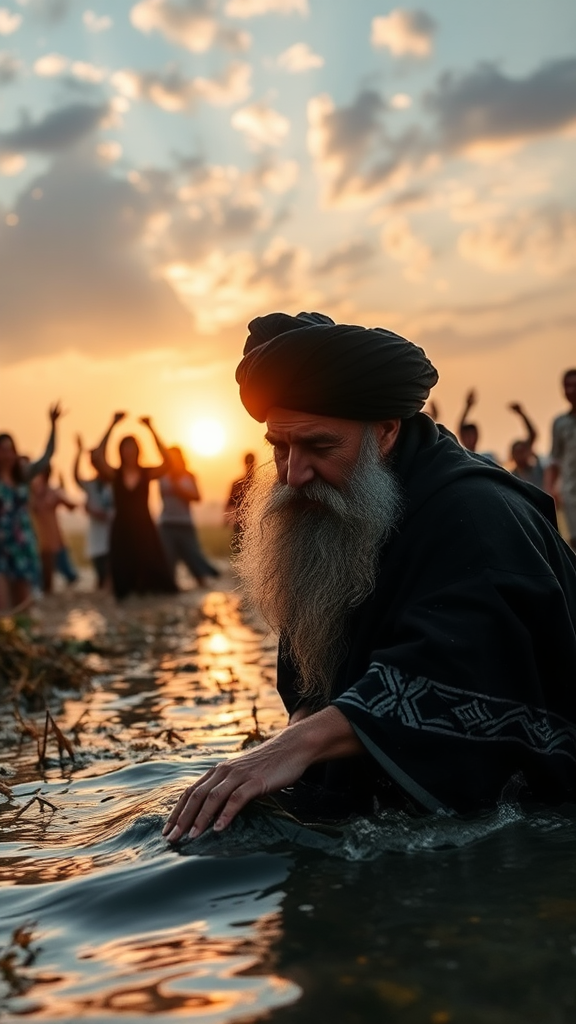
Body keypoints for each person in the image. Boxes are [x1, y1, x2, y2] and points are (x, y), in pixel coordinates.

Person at [163, 311, 576, 843]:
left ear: (385, 431)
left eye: (318, 446)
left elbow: (463, 670)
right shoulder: (334, 509)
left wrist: (301, 746)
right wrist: (283, 750)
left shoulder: (478, 515)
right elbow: (319, 666)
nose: (293, 474)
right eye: (280, 448)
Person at [91, 413, 177, 600]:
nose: (129, 451)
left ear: (138, 450)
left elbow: (168, 461)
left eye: (132, 447)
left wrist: (151, 429)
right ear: (120, 451)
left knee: (153, 574)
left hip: (145, 527)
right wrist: (111, 425)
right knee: (123, 574)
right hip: (121, 528)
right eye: (125, 448)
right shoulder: (115, 474)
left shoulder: (147, 473)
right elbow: (98, 457)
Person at [0, 403, 62, 612]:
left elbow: (46, 456)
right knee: (2, 603)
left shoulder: (23, 475)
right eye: (2, 450)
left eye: (10, 450)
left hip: (22, 541)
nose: (6, 455)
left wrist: (53, 425)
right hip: (1, 542)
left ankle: (20, 640)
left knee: (23, 604)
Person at [158, 446, 219, 587]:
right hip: (166, 523)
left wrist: (178, 488)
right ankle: (170, 588)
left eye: (175, 457)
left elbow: (197, 496)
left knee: (194, 557)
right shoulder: (162, 476)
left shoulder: (188, 476)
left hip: (185, 523)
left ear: (181, 458)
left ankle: (205, 580)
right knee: (167, 560)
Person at [73, 434, 114, 589]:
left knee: (110, 577)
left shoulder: (114, 482)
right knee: (101, 578)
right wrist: (78, 452)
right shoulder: (91, 485)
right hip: (97, 538)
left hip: (113, 536)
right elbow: (76, 477)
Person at [29, 467, 78, 593]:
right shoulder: (31, 495)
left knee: (69, 577)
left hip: (55, 542)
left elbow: (71, 506)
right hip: (42, 543)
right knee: (44, 581)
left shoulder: (52, 493)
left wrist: (62, 491)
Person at [545, 369, 576, 551]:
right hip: (571, 494)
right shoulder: (560, 423)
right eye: (567, 386)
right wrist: (549, 491)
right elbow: (554, 460)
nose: (571, 390)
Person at [508, 402, 544, 489]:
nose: (520, 455)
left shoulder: (538, 469)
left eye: (522, 451)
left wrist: (522, 414)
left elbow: (532, 434)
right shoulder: (511, 477)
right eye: (517, 453)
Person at [224, 452, 255, 549]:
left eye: (251, 462)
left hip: (254, 522)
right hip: (241, 522)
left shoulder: (260, 483)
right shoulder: (239, 483)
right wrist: (225, 519)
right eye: (248, 462)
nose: (249, 465)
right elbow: (229, 502)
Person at [457, 389, 498, 463]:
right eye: (467, 435)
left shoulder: (487, 457)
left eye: (472, 435)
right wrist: (467, 407)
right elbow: (460, 428)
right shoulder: (461, 458)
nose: (469, 439)